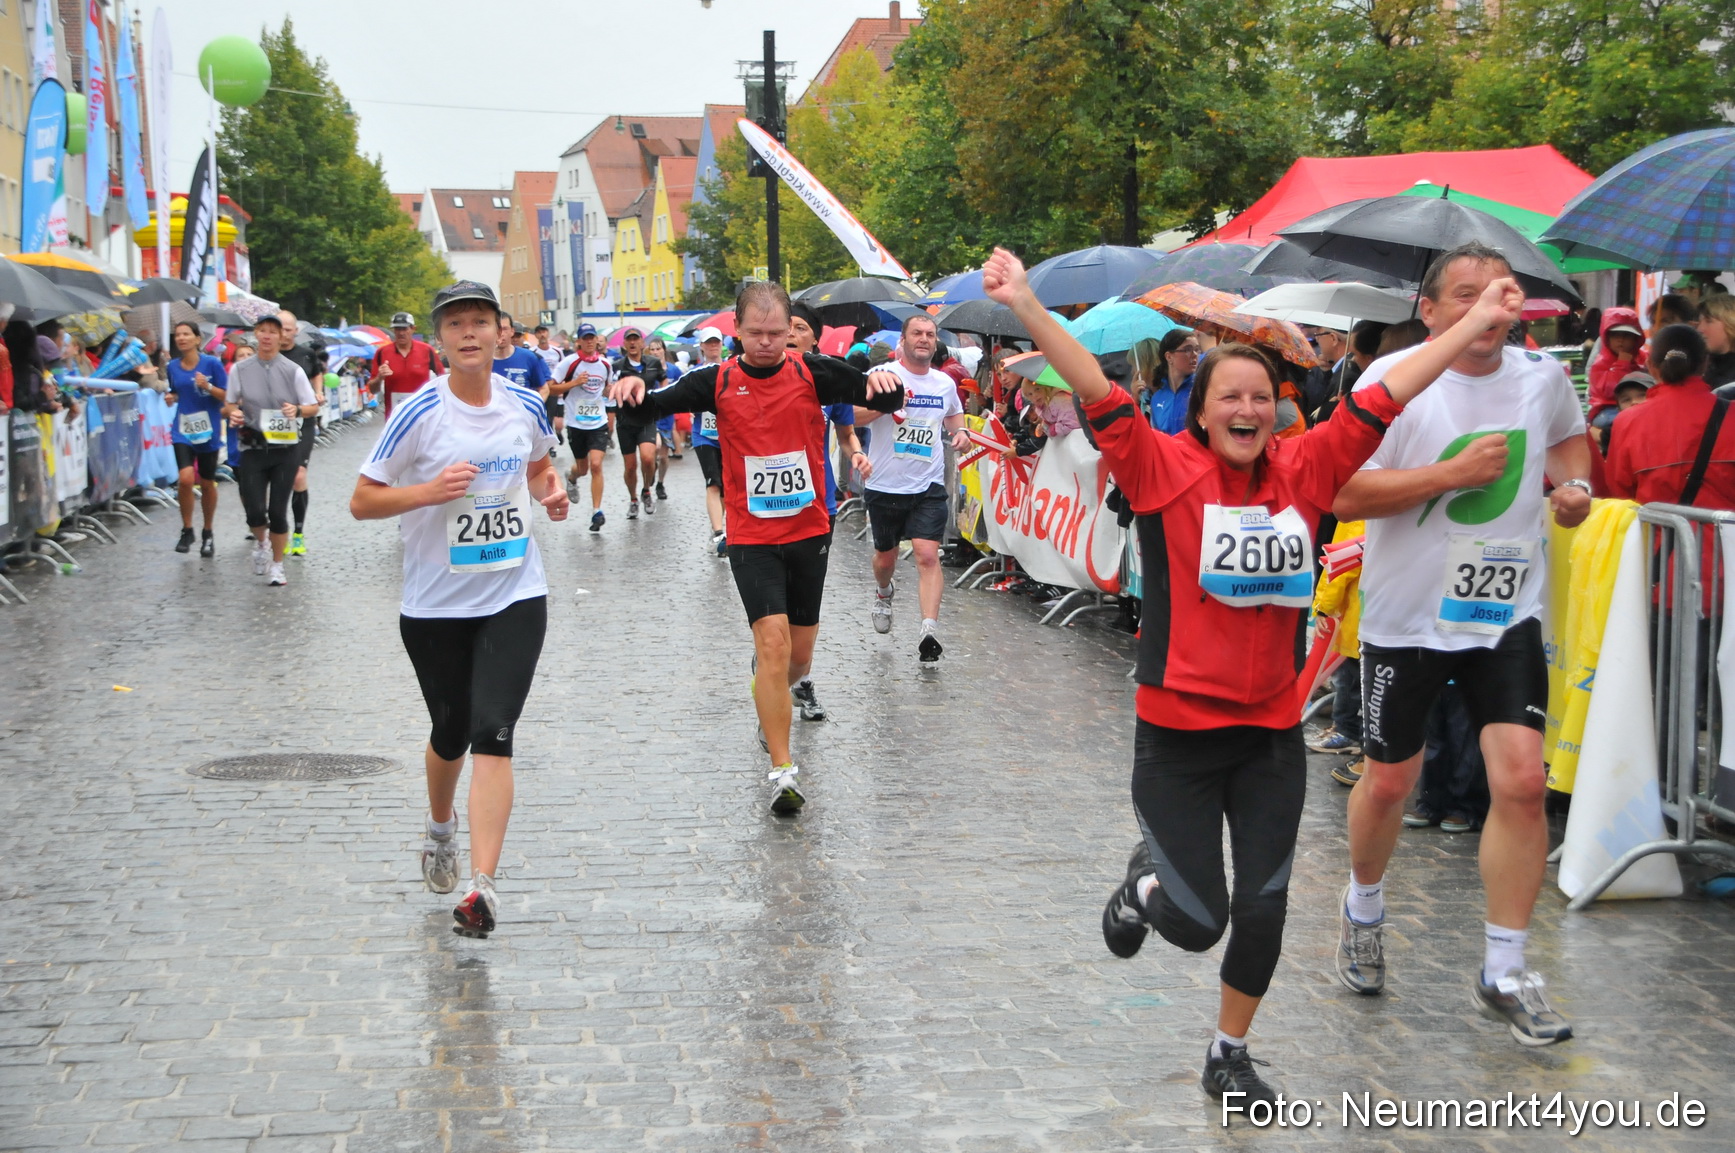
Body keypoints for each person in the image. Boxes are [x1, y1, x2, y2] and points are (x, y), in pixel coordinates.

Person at [981, 244, 1525, 1105]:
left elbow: (1383, 394)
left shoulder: (1306, 471)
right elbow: (1093, 386)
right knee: (1198, 923)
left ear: (1277, 411)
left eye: (1259, 397)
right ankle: (1149, 881)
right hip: (1177, 739)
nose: (1245, 407)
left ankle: (1227, 1050)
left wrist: (1463, 328)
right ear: (1198, 415)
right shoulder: (1160, 469)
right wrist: (1024, 306)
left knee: (1264, 907)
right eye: (1225, 396)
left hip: (1269, 735)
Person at [1332, 243, 1590, 1048]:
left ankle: (1505, 968)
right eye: (1465, 294)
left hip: (1503, 611)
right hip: (1405, 617)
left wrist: (1573, 488)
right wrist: (1445, 477)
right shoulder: (1391, 383)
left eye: (1497, 294)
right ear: (1433, 309)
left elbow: (1568, 446)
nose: (1486, 309)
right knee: (1389, 781)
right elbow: (1341, 490)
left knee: (1519, 779)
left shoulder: (1540, 377)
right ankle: (1362, 908)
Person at [607, 282, 903, 816]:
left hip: (810, 528)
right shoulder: (715, 379)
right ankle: (783, 770)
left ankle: (768, 691)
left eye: (776, 333)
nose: (766, 343)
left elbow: (883, 396)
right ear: (736, 332)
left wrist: (884, 379)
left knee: (798, 656)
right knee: (772, 646)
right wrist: (630, 389)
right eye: (754, 334)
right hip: (751, 535)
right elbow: (648, 407)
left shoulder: (813, 372)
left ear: (791, 330)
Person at [349, 280, 568, 939]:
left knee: (493, 731)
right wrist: (426, 491)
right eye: (455, 324)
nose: (469, 333)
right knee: (449, 732)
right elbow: (362, 501)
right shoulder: (419, 414)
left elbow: (537, 469)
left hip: (514, 593)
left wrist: (552, 492)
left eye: (481, 321)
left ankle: (482, 886)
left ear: (502, 333)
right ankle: (440, 825)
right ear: (439, 339)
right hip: (436, 605)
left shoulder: (526, 404)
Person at [855, 313, 969, 664]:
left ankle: (929, 630)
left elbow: (953, 415)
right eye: (917, 333)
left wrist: (960, 432)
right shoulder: (880, 377)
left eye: (930, 334)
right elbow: (853, 416)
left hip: (928, 484)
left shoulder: (943, 383)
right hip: (886, 484)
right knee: (885, 558)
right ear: (902, 341)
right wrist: (885, 405)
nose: (924, 339)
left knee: (926, 554)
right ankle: (883, 591)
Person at [786, 301, 868, 722]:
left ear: (814, 337)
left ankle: (800, 678)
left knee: (804, 607)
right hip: (763, 513)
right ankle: (774, 676)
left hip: (818, 506)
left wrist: (856, 456)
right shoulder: (750, 374)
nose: (790, 333)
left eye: (799, 327)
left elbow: (848, 433)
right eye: (786, 326)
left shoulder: (829, 380)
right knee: (773, 609)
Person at [222, 314, 320, 587]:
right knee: (254, 511)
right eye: (262, 331)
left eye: (272, 332)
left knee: (277, 511)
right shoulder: (240, 370)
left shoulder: (293, 370)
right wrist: (235, 413)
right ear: (256, 335)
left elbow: (312, 406)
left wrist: (297, 410)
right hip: (252, 446)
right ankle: (262, 544)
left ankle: (277, 565)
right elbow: (228, 404)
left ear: (281, 337)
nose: (266, 336)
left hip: (285, 448)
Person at [1606, 325, 1735, 509]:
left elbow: (1619, 496)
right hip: (1723, 537)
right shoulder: (1732, 416)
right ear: (1705, 363)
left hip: (1653, 536)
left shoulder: (1627, 422)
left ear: (1650, 365)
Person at [164, 320, 227, 557]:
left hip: (208, 430)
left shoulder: (212, 364)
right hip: (183, 429)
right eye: (178, 335)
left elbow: (226, 396)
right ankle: (187, 528)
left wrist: (208, 386)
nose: (181, 338)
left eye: (186, 334)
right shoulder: (172, 366)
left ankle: (207, 532)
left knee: (208, 483)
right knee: (186, 478)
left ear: (197, 339)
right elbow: (177, 391)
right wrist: (171, 397)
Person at [554, 323, 613, 532]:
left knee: (596, 465)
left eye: (592, 337)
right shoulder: (570, 363)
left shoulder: (605, 364)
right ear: (579, 341)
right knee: (583, 468)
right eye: (585, 338)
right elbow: (551, 388)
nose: (589, 341)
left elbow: (607, 388)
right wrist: (574, 383)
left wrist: (611, 394)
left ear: (597, 340)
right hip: (576, 424)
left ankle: (597, 512)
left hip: (598, 422)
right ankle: (571, 478)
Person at [278, 310, 326, 557]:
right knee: (276, 478)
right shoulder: (267, 356)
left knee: (298, 475)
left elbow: (317, 373)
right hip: (273, 423)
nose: (284, 334)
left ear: (295, 331)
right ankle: (277, 529)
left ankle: (297, 534)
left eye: (288, 329)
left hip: (302, 421)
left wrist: (317, 392)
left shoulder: (306, 355)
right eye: (280, 329)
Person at [611, 328, 664, 517]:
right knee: (630, 465)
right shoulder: (617, 366)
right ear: (625, 344)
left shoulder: (653, 363)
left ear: (642, 343)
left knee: (648, 458)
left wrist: (660, 401)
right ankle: (633, 498)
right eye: (629, 340)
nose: (633, 343)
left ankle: (647, 489)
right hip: (625, 420)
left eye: (636, 340)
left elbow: (664, 382)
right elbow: (608, 388)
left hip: (647, 418)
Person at [688, 326, 729, 554]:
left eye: (716, 342)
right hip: (704, 435)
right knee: (713, 482)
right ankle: (717, 532)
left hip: (728, 436)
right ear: (702, 346)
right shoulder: (694, 374)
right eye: (709, 342)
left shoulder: (732, 369)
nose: (713, 346)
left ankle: (719, 525)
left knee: (725, 487)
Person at [370, 312, 443, 418]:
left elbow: (443, 380)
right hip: (395, 418)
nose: (401, 333)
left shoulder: (427, 350)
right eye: (398, 329)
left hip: (423, 416)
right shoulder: (382, 352)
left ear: (413, 329)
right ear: (393, 330)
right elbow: (373, 390)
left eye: (405, 329)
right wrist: (379, 377)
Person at [1586, 308, 1644, 421]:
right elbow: (1610, 391)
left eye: (1627, 335)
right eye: (1615, 335)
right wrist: (1622, 365)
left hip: (1639, 407)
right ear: (1607, 337)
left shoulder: (1643, 358)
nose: (1621, 340)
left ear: (1636, 339)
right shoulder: (1600, 363)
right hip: (1608, 409)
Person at [646, 335, 684, 496]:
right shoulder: (646, 369)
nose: (655, 352)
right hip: (650, 417)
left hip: (666, 418)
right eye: (652, 349)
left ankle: (660, 483)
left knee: (663, 456)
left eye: (658, 349)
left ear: (664, 350)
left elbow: (681, 389)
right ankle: (650, 471)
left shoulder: (673, 370)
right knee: (653, 449)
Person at [1146, 328, 1200, 435]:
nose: (1195, 354)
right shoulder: (1157, 398)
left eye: (1197, 349)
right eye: (1187, 349)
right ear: (1169, 356)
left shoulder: (1201, 390)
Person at [491, 312, 551, 396]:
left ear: (512, 331)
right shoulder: (482, 360)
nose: (501, 333)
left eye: (505, 329)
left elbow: (544, 389)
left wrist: (533, 408)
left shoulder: (528, 357)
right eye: (497, 329)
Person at [1698, 296, 1735, 393]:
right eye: (1700, 321)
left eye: (1708, 321)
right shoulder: (1700, 366)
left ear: (1731, 323)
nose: (1700, 329)